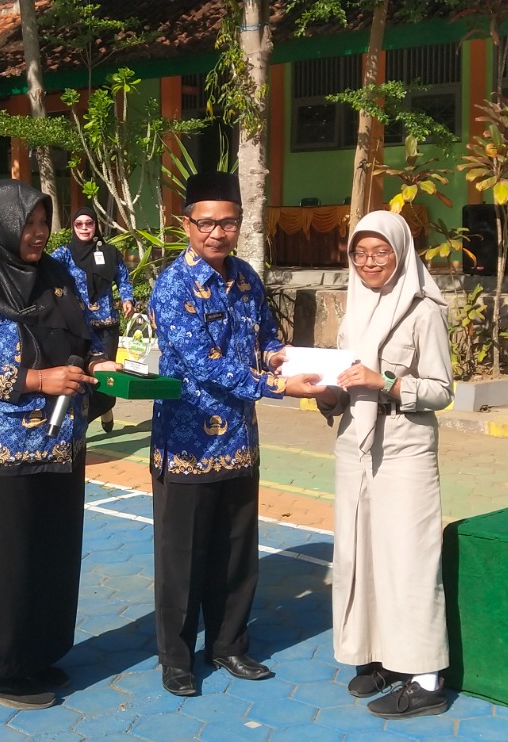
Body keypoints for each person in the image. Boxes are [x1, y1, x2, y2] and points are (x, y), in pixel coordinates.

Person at [0, 179, 119, 710]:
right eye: (26, 224)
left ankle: (35, 653)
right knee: (1, 562)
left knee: (50, 554)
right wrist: (38, 380)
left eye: (42, 222)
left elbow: (85, 333)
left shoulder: (55, 275)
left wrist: (99, 361)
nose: (37, 234)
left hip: (57, 443)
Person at [148, 171, 326, 697]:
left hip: (238, 443)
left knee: (235, 552)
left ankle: (228, 644)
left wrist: (282, 356)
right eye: (206, 223)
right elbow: (204, 364)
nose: (217, 233)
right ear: (186, 224)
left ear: (240, 224)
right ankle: (176, 659)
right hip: (188, 445)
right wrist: (278, 385)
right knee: (182, 559)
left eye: (228, 223)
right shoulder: (173, 285)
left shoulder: (246, 277)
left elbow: (265, 337)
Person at [312, 210, 454, 719]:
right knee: (360, 554)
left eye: (381, 252)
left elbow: (441, 391)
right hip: (355, 442)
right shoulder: (355, 307)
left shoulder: (423, 310)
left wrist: (386, 382)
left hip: (404, 445)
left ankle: (426, 678)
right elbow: (345, 383)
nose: (369, 262)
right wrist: (325, 392)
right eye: (360, 253)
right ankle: (380, 657)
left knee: (409, 559)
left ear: (402, 253)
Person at [50, 206, 134, 432]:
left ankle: (105, 406)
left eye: (89, 223)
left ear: (96, 226)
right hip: (78, 326)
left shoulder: (110, 253)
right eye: (79, 224)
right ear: (73, 227)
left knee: (105, 377)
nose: (84, 228)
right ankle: (84, 422)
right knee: (81, 377)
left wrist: (128, 299)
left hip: (107, 325)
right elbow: (44, 268)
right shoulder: (65, 253)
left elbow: (123, 278)